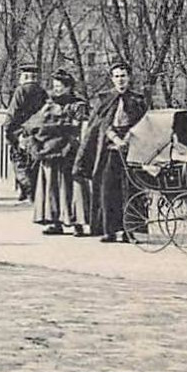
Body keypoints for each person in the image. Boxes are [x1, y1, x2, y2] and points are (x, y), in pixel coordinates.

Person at [73, 60, 148, 243]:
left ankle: (129, 231)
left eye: (123, 76)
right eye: (117, 76)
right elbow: (99, 125)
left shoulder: (137, 100)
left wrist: (129, 139)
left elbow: (144, 124)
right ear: (111, 79)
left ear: (129, 78)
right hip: (108, 150)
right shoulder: (104, 99)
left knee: (130, 190)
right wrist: (115, 138)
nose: (120, 80)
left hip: (132, 150)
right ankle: (109, 230)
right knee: (107, 190)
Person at [26, 69, 90, 236]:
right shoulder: (48, 105)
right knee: (52, 186)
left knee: (74, 186)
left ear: (69, 87)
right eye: (55, 86)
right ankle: (55, 221)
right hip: (49, 150)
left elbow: (80, 128)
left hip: (69, 150)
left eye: (60, 86)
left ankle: (77, 222)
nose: (57, 90)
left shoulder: (78, 105)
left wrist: (60, 130)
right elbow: (34, 125)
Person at [4, 62, 49, 202]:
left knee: (19, 161)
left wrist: (8, 130)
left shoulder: (21, 91)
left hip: (21, 131)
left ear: (25, 76)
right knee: (34, 162)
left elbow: (13, 112)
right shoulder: (42, 92)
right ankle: (31, 191)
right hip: (38, 132)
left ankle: (27, 190)